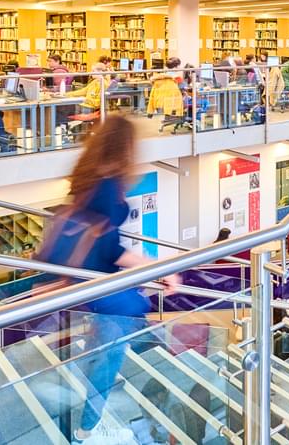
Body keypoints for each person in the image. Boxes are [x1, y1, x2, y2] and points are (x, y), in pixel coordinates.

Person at [35, 115, 178, 443]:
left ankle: (82, 403)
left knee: (110, 337)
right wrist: (158, 268)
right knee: (118, 336)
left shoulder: (87, 175)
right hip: (95, 280)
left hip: (81, 278)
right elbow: (111, 250)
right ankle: (88, 423)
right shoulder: (109, 184)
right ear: (125, 147)